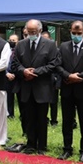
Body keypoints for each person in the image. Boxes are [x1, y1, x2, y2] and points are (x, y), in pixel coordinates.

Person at [13, 19, 60, 155]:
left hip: (42, 86)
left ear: (39, 31)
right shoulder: (21, 44)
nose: (31, 34)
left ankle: (41, 146)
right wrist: (24, 71)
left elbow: (53, 64)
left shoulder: (50, 45)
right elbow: (16, 63)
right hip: (26, 86)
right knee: (28, 117)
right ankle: (31, 143)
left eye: (33, 32)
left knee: (41, 117)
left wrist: (36, 72)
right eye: (29, 32)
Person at [55, 21, 83, 163]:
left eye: (79, 33)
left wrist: (79, 76)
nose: (76, 36)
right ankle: (67, 149)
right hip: (67, 89)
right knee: (67, 121)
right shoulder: (63, 46)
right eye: (74, 33)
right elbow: (58, 65)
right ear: (70, 31)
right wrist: (68, 76)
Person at [41, 31, 60, 127]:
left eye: (46, 38)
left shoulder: (56, 50)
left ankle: (54, 120)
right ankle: (44, 119)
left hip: (53, 79)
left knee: (53, 102)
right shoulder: (39, 50)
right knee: (43, 101)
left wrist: (57, 81)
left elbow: (58, 66)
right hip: (42, 80)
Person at [5, 34, 19, 119]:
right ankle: (10, 114)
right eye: (10, 40)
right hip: (7, 75)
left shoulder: (20, 51)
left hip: (17, 76)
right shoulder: (6, 51)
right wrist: (7, 73)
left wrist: (15, 74)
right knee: (8, 96)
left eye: (14, 40)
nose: (12, 42)